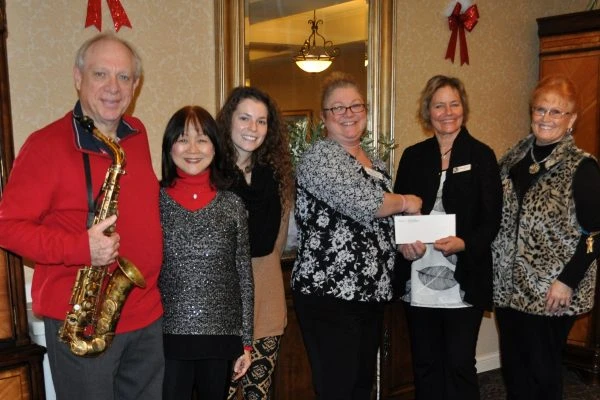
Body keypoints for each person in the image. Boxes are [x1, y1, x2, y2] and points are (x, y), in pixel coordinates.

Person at [0, 33, 164, 399]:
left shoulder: (138, 134)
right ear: (78, 78)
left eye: (124, 77)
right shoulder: (44, 145)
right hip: (84, 323)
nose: (113, 87)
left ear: (136, 85)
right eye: (100, 74)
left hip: (146, 315)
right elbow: (7, 228)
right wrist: (80, 247)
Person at [291, 71, 422, 400]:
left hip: (370, 294)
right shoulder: (320, 156)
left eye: (355, 106)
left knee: (362, 386)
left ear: (366, 111)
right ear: (324, 118)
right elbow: (365, 203)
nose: (348, 114)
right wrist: (406, 201)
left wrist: (404, 241)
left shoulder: (375, 163)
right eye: (338, 108)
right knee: (338, 388)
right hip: (330, 294)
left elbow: (383, 224)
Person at [393, 75, 503, 400]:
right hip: (417, 275)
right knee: (425, 364)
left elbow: (491, 219)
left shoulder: (482, 155)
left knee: (459, 363)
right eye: (439, 105)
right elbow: (399, 212)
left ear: (464, 108)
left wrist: (464, 243)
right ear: (428, 111)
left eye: (454, 104)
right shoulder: (413, 156)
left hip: (463, 276)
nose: (447, 111)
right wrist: (403, 242)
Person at [492, 75, 600, 400]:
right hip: (508, 288)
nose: (546, 118)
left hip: (551, 293)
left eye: (557, 112)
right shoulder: (511, 161)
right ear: (531, 113)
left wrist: (566, 281)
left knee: (542, 373)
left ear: (572, 120)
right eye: (541, 109)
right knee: (514, 371)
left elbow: (594, 232)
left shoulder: (581, 167)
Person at [158, 105, 254, 400]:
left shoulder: (232, 204)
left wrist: (246, 342)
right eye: (182, 139)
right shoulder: (153, 201)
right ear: (169, 146)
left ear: (214, 145)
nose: (192, 149)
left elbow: (243, 276)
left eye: (202, 139)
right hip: (167, 335)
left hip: (221, 337)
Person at [216, 86, 294, 400]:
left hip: (267, 299)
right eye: (245, 118)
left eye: (261, 121)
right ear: (228, 121)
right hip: (223, 307)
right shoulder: (210, 175)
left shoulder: (276, 176)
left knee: (257, 395)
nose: (253, 128)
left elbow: (277, 241)